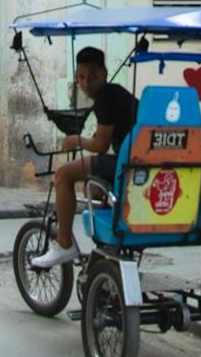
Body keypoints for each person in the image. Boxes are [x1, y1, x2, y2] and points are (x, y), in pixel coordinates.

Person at [31, 46, 137, 269]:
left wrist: (75, 140)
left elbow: (101, 145)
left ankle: (64, 243)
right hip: (132, 161)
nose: (87, 83)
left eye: (93, 77)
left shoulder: (106, 98)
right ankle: (106, 245)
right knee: (95, 188)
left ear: (104, 74)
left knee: (63, 175)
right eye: (81, 77)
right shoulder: (116, 93)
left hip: (126, 164)